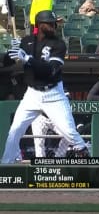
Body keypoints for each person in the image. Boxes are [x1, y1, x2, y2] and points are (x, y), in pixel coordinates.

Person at [1, 10, 89, 163]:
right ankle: (6, 164)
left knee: (69, 132)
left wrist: (27, 58)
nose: (54, 26)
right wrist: (11, 52)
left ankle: (85, 156)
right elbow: (7, 63)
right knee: (15, 131)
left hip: (54, 94)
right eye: (50, 23)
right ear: (40, 25)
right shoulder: (27, 41)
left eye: (54, 23)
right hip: (32, 95)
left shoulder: (59, 44)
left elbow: (50, 70)